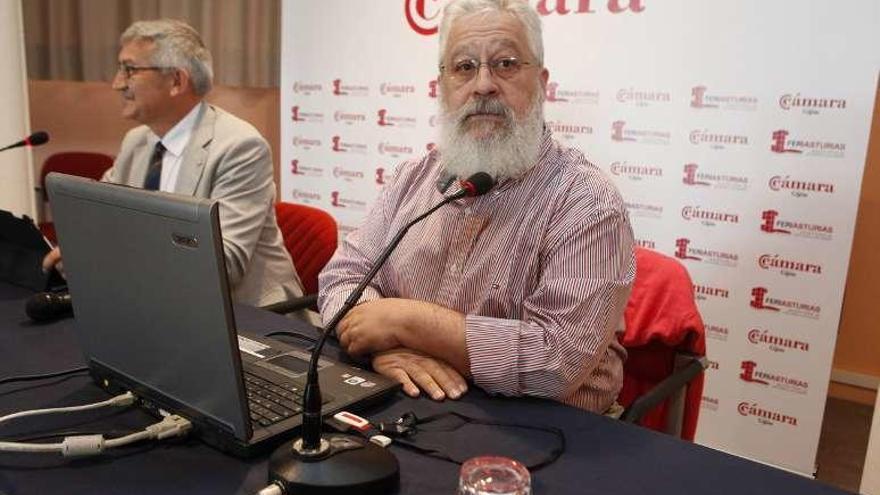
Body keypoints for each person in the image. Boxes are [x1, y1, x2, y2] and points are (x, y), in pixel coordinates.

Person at [320, 0, 635, 414]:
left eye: (505, 64)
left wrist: (405, 322)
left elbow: (555, 364)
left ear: (541, 82)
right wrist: (382, 347)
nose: (483, 84)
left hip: (545, 427)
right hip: (412, 396)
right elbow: (342, 276)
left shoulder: (588, 203)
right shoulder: (412, 177)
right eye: (464, 67)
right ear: (443, 84)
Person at [42, 19, 304, 308]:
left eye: (130, 70)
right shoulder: (137, 141)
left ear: (176, 81)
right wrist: (79, 248)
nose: (117, 84)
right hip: (162, 300)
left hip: (247, 313)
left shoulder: (239, 147)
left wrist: (109, 255)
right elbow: (99, 220)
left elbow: (222, 265)